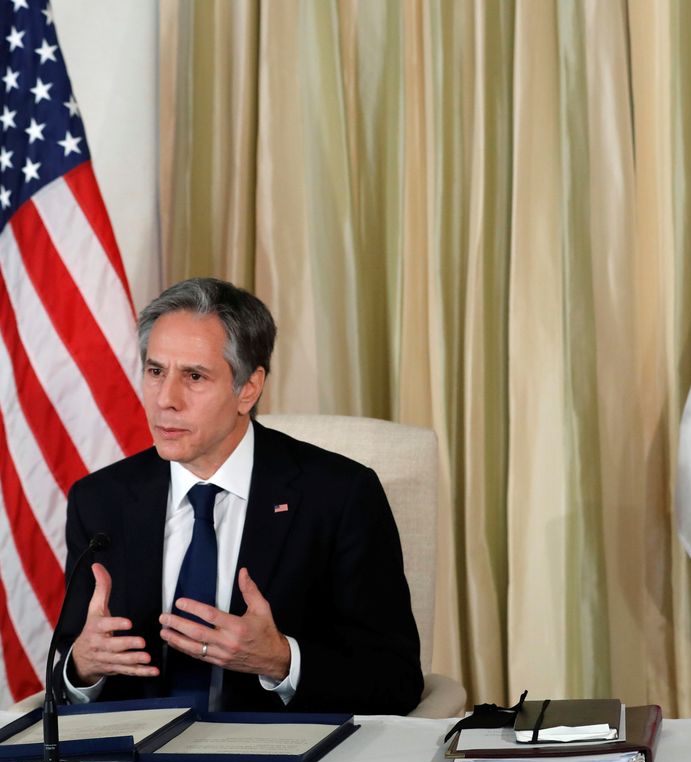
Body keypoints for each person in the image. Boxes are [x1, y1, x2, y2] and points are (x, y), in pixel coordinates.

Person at [54, 277, 423, 714]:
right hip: (136, 752)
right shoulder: (99, 500)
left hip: (277, 752)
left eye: (194, 376)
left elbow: (396, 679)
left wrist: (282, 660)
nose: (166, 399)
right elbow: (67, 674)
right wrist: (82, 668)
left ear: (248, 388)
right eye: (155, 372)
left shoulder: (340, 496)